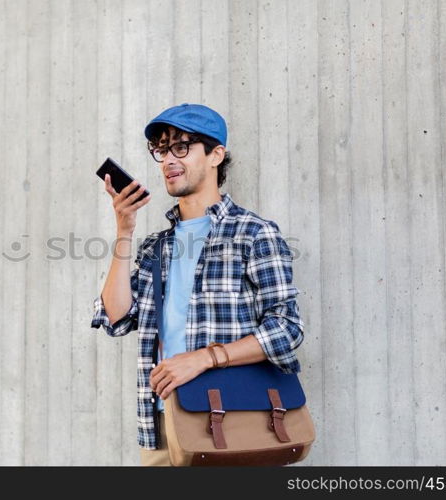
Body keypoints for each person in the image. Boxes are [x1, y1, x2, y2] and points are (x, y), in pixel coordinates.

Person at [90, 103, 305, 466]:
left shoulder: (253, 233)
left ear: (216, 155)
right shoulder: (156, 247)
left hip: (234, 420)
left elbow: (286, 329)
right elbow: (117, 318)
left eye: (181, 146)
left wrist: (204, 359)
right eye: (161, 149)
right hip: (159, 425)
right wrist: (124, 231)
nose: (168, 160)